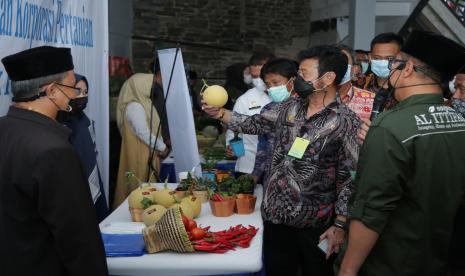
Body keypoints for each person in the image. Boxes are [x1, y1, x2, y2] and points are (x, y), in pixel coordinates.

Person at [204, 45, 360, 276]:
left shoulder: (345, 121)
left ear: (328, 78)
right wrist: (220, 114)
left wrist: (340, 224)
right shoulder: (289, 107)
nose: (298, 79)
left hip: (315, 223)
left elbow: (349, 177)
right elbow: (254, 123)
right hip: (276, 217)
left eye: (304, 73)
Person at [338, 31, 465, 276]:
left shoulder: (391, 126)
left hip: (391, 260)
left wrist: (348, 269)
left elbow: (372, 210)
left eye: (394, 62)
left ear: (407, 69)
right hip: (438, 255)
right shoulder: (459, 121)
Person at [0, 46, 107, 275]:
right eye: (71, 87)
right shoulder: (54, 150)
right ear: (52, 91)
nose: (76, 95)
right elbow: (79, 242)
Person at [114, 73, 170, 208]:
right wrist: (162, 147)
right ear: (139, 86)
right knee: (140, 186)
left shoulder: (143, 102)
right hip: (140, 151)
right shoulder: (135, 107)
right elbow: (143, 132)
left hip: (146, 150)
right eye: (148, 85)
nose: (151, 88)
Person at [64, 74, 109, 222]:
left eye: (86, 92)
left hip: (91, 176)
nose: (82, 96)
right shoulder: (61, 123)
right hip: (73, 187)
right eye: (78, 91)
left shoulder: (84, 120)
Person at [225, 52, 275, 177]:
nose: (258, 80)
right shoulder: (245, 99)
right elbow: (233, 130)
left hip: (278, 169)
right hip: (249, 166)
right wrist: (231, 146)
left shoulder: (286, 95)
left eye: (261, 75)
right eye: (254, 76)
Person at [251, 58, 298, 185]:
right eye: (268, 84)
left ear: (292, 80)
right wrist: (256, 174)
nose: (271, 88)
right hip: (271, 178)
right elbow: (263, 145)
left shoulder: (307, 108)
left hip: (298, 180)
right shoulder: (268, 109)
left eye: (276, 83)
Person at [336, 44, 375, 121]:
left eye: (344, 63)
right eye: (333, 63)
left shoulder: (371, 100)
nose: (339, 68)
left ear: (354, 69)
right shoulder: (314, 98)